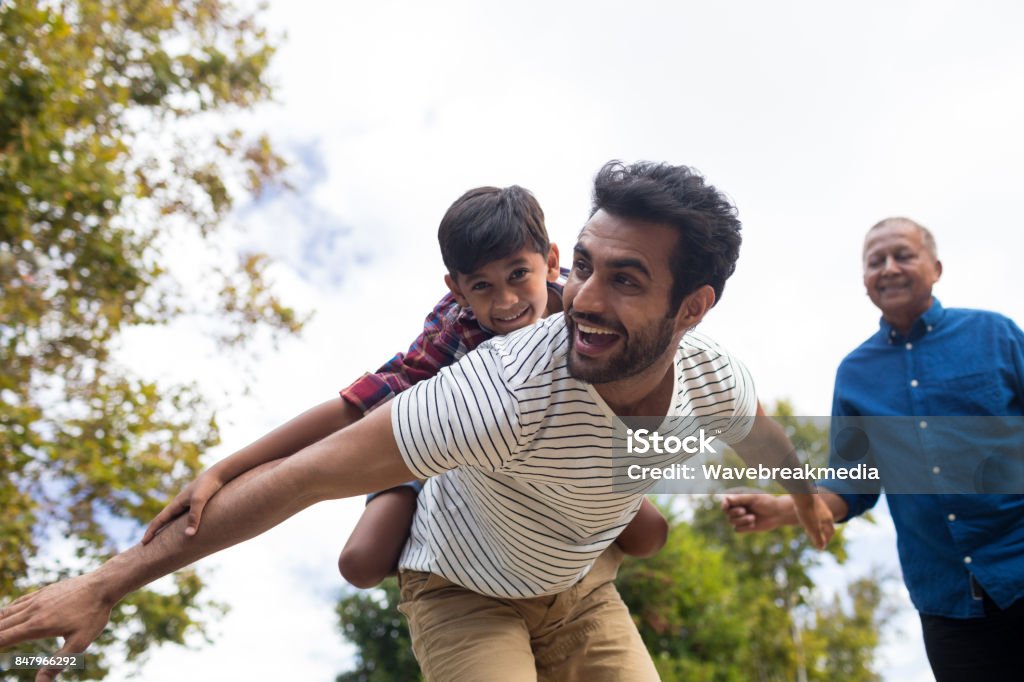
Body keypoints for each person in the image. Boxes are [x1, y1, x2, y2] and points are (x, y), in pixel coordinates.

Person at [0, 161, 834, 682]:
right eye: (584, 267)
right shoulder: (499, 389)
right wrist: (106, 582)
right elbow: (304, 474)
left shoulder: (713, 374)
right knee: (366, 557)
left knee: (641, 529)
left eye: (624, 279)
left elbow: (758, 429)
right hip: (466, 589)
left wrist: (804, 498)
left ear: (692, 308)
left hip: (580, 589)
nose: (580, 297)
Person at [142, 184, 670, 591]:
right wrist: (221, 470)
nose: (505, 301)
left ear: (550, 262)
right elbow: (354, 410)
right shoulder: (454, 330)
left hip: (554, 456)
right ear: (457, 289)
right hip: (444, 443)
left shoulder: (582, 317)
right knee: (361, 563)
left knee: (650, 535)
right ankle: (447, 548)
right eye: (482, 286)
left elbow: (656, 387)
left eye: (518, 275)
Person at [722, 217, 1024, 681]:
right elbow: (853, 485)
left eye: (903, 255)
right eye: (874, 261)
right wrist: (786, 509)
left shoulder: (996, 336)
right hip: (947, 603)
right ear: (864, 280)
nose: (888, 268)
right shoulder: (856, 374)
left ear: (936, 267)